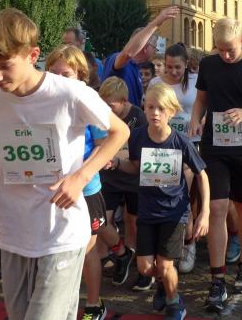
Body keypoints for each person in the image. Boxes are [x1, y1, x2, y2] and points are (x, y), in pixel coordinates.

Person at [0, 8, 129, 320]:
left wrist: (80, 177)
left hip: (62, 231)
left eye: (4, 66)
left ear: (32, 55)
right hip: (14, 230)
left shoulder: (69, 93)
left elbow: (119, 132)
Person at [189, 18, 242, 311]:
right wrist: (195, 119)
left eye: (230, 50)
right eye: (220, 49)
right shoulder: (208, 65)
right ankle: (217, 278)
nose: (224, 55)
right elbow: (201, 100)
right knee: (217, 208)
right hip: (215, 146)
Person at [115, 83, 210, 320]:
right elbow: (135, 166)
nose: (155, 113)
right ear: (144, 108)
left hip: (174, 212)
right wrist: (116, 163)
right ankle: (162, 285)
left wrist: (205, 213)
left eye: (161, 108)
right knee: (146, 267)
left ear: (172, 111)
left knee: (166, 265)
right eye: (150, 107)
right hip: (148, 211)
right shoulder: (137, 137)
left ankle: (175, 302)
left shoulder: (181, 142)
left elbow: (202, 175)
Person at [46, 45, 111, 320]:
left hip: (87, 188)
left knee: (86, 249)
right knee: (56, 249)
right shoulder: (43, 101)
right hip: (52, 186)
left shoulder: (87, 99)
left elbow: (104, 142)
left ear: (80, 76)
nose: (59, 79)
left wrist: (82, 173)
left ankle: (94, 304)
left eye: (66, 74)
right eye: (54, 73)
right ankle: (60, 301)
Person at [149, 43, 201, 274]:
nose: (173, 71)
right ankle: (164, 246)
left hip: (189, 143)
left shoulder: (196, 81)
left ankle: (189, 244)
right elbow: (149, 109)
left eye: (177, 67)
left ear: (186, 64)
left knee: (185, 196)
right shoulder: (156, 83)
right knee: (162, 195)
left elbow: (206, 106)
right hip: (162, 146)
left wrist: (200, 121)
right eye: (169, 67)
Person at [97, 77, 144, 287]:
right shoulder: (101, 115)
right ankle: (121, 253)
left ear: (124, 101)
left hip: (133, 177)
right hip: (109, 178)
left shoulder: (138, 116)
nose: (106, 110)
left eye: (110, 105)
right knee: (101, 222)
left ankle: (133, 259)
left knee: (133, 221)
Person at [101, 7, 179, 108]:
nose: (155, 51)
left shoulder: (138, 68)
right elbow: (128, 54)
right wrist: (156, 23)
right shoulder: (118, 59)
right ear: (146, 48)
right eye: (154, 47)